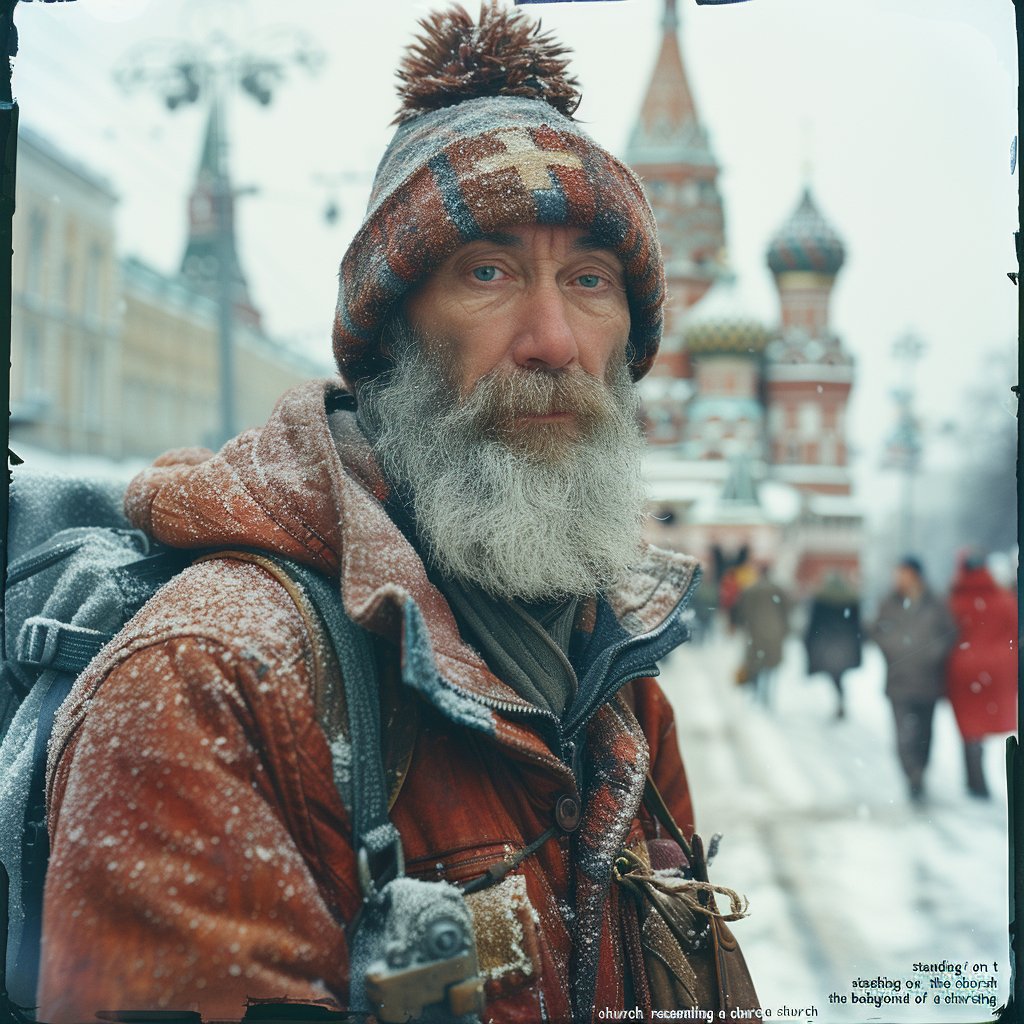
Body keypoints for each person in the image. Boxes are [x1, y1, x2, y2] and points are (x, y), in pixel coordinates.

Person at [36, 6, 711, 1022]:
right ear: (389, 338)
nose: (553, 339)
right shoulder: (211, 681)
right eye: (486, 272)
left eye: (591, 279)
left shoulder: (614, 672)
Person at [869, 556, 956, 802]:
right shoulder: (889, 602)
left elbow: (949, 632)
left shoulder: (935, 602)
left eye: (902, 573)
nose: (897, 579)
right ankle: (912, 774)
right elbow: (877, 631)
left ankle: (921, 770)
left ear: (915, 575)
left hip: (928, 679)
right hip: (899, 679)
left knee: (925, 733)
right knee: (903, 736)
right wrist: (894, 649)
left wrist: (933, 653)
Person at [945, 552, 1018, 798]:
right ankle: (1001, 775)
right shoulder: (1005, 599)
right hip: (998, 669)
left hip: (964, 668)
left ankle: (975, 779)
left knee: (970, 727)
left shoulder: (955, 601)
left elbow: (945, 633)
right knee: (992, 722)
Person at [804, 574, 862, 719]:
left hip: (826, 643)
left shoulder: (821, 599)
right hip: (845, 644)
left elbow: (814, 624)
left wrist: (809, 641)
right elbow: (856, 626)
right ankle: (840, 698)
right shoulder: (851, 600)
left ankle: (839, 699)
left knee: (833, 674)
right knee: (838, 673)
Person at [732, 567, 791, 706]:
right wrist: (785, 630)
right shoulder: (778, 590)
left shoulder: (750, 590)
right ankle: (767, 696)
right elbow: (787, 611)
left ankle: (756, 694)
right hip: (775, 632)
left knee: (756, 662)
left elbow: (742, 612)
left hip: (755, 631)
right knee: (771, 665)